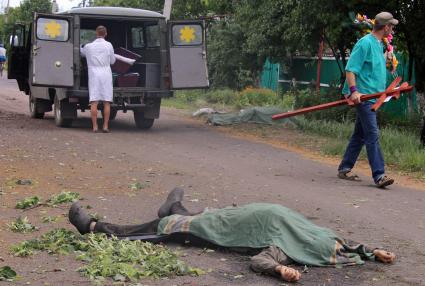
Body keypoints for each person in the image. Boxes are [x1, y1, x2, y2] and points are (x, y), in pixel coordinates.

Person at [69, 188, 396, 283]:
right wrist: (373, 250)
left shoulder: (283, 249)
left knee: (163, 230)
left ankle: (94, 226)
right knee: (183, 219)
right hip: (240, 215)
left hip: (221, 229)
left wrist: (279, 270)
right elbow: (346, 246)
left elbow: (259, 260)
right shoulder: (320, 236)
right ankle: (172, 206)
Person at [338, 12, 399, 188]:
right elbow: (351, 69)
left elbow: (375, 70)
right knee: (372, 134)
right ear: (385, 27)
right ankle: (379, 175)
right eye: (391, 26)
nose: (392, 29)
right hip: (363, 97)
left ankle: (345, 167)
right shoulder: (364, 43)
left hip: (375, 96)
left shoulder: (381, 45)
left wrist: (388, 63)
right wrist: (354, 91)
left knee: (360, 134)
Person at [80, 26, 115, 133]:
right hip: (106, 74)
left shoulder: (89, 47)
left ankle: (95, 127)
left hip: (94, 74)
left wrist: (81, 46)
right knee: (106, 102)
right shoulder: (109, 45)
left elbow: (81, 53)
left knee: (94, 101)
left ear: (96, 33)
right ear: (106, 33)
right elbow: (112, 61)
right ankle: (105, 126)